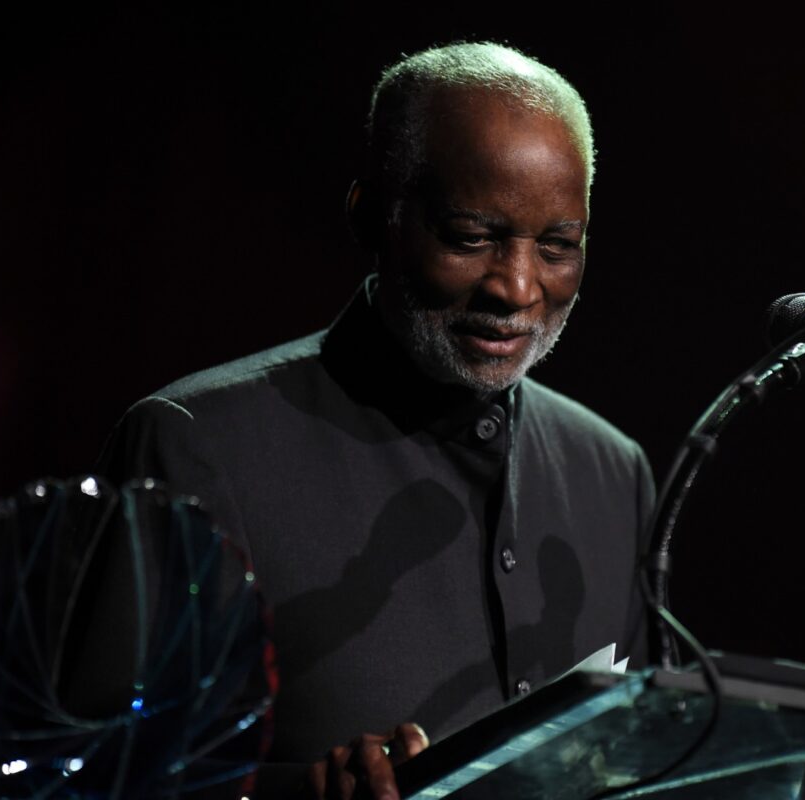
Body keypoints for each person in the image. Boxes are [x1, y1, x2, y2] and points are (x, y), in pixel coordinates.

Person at [98, 42, 655, 799]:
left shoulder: (613, 471)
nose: (518, 286)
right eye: (471, 237)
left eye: (558, 246)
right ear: (373, 217)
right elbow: (107, 775)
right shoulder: (199, 445)